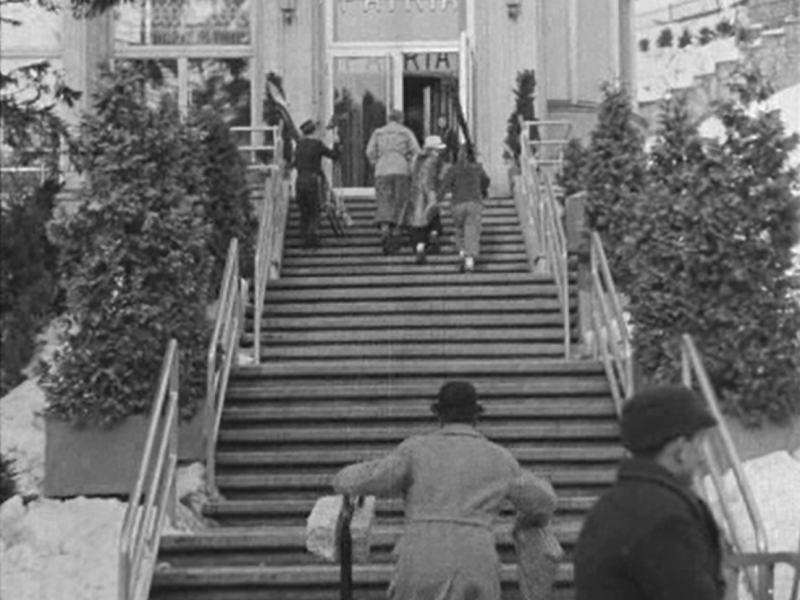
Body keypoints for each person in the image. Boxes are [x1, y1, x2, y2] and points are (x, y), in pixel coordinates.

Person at [333, 380, 558, 600]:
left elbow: (359, 480)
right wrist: (528, 520)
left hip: (421, 558)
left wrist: (343, 476)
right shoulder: (500, 458)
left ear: (439, 415)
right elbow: (545, 501)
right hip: (476, 560)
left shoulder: (415, 451)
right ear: (476, 417)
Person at [573, 384, 727, 600]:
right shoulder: (667, 519)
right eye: (699, 443)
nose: (702, 458)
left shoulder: (607, 506)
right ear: (680, 449)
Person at [366, 109, 421, 254]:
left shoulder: (378, 133)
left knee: (384, 199)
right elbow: (417, 152)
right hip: (401, 168)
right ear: (401, 119)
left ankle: (385, 229)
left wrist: (376, 162)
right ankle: (397, 231)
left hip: (382, 169)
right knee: (400, 200)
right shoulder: (406, 132)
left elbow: (369, 152)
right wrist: (410, 165)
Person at [441, 145, 490, 272]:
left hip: (457, 203)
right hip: (474, 201)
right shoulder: (477, 168)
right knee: (472, 229)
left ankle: (462, 252)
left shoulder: (453, 169)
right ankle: (469, 260)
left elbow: (445, 184)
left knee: (459, 229)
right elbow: (486, 181)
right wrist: (483, 191)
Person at [292, 119, 339, 248]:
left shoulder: (299, 146)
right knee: (314, 211)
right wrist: (336, 141)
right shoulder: (317, 144)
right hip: (312, 181)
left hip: (299, 181)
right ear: (314, 131)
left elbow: (294, 163)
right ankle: (312, 238)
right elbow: (334, 155)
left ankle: (304, 237)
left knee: (304, 211)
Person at [406, 135, 447, 264]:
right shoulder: (436, 161)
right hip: (430, 193)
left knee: (418, 225)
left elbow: (411, 174)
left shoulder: (415, 160)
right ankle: (434, 233)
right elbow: (440, 177)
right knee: (433, 217)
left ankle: (420, 248)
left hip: (415, 194)